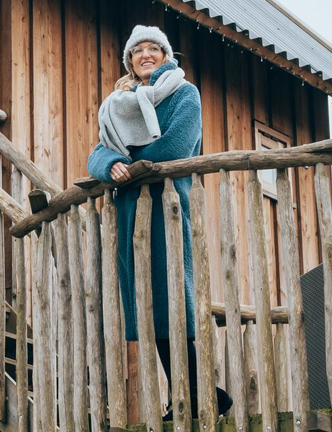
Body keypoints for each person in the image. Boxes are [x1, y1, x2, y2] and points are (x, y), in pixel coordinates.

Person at [87, 25, 232, 419]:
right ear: (130, 62)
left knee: (175, 302)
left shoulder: (185, 94)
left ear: (167, 56)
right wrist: (111, 164)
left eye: (154, 49)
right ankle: (200, 395)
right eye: (138, 51)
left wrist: (129, 165)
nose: (146, 55)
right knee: (148, 305)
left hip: (168, 207)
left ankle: (194, 395)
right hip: (132, 213)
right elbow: (97, 154)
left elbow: (175, 146)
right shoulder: (118, 103)